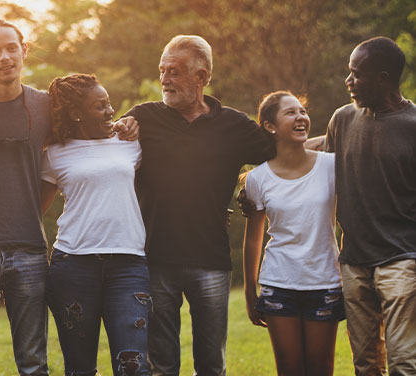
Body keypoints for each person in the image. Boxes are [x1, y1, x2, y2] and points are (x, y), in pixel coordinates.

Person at [0, 19, 138, 376]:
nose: (4, 57)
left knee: (33, 362)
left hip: (28, 250)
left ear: (24, 51)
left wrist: (127, 123)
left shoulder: (45, 106)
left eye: (11, 48)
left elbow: (84, 137)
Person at [123, 35, 274, 375]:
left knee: (211, 366)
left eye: (174, 72)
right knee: (161, 365)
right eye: (162, 70)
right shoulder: (143, 118)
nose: (165, 79)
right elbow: (106, 150)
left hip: (211, 262)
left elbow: (285, 154)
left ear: (202, 77)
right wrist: (120, 127)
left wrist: (335, 141)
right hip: (155, 260)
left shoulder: (233, 125)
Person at [41, 73, 149, 376]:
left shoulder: (130, 143)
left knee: (134, 367)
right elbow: (35, 209)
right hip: (73, 265)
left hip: (129, 265)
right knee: (80, 369)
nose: (110, 111)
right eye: (100, 106)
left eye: (109, 103)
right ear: (76, 113)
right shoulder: (54, 154)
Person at [322, 37, 416, 375]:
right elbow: (314, 168)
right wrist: (258, 179)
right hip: (354, 261)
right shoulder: (342, 120)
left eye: (356, 74)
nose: (348, 82)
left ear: (383, 78)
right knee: (365, 364)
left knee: (404, 361)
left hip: (402, 260)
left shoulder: (413, 127)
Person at [242, 91, 344, 375]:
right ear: (269, 126)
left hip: (324, 280)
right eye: (291, 113)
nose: (301, 117)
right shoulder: (257, 178)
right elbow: (253, 238)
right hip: (279, 282)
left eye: (303, 111)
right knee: (289, 368)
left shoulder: (331, 166)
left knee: (321, 368)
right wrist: (251, 290)